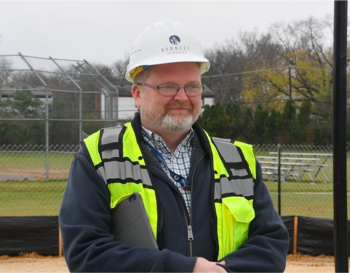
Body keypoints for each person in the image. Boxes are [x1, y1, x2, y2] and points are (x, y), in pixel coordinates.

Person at [59, 19, 289, 272]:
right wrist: (186, 269)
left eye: (192, 86)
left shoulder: (238, 160)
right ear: (137, 93)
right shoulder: (99, 156)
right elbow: (86, 253)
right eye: (167, 86)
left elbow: (271, 243)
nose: (182, 97)